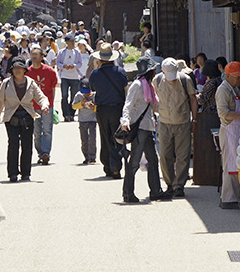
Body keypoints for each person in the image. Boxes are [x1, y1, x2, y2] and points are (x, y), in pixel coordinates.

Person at [0, 57, 49, 182]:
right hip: (11, 117)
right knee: (13, 144)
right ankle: (12, 173)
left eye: (20, 68)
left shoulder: (31, 83)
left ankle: (26, 173)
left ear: (24, 70)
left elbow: (41, 97)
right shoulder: (6, 83)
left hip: (27, 117)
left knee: (27, 145)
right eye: (15, 69)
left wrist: (44, 105)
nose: (17, 71)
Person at [120, 57, 169, 203]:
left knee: (153, 160)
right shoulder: (137, 85)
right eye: (153, 69)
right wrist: (125, 120)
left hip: (148, 127)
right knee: (134, 161)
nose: (155, 71)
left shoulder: (148, 85)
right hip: (140, 128)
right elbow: (128, 104)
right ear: (149, 71)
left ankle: (155, 191)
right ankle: (128, 193)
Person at [153, 57, 197, 198]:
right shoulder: (157, 80)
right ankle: (170, 184)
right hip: (164, 122)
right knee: (165, 155)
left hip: (183, 122)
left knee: (182, 156)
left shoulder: (185, 79)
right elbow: (154, 100)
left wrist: (194, 120)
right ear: (163, 71)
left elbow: (193, 99)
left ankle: (179, 186)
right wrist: (152, 117)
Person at [88, 41, 128, 179]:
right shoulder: (121, 72)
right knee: (117, 137)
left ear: (100, 59)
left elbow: (93, 89)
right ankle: (116, 164)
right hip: (117, 108)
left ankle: (108, 166)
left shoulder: (95, 74)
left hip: (102, 109)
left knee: (105, 138)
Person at [216, 60, 240, 209]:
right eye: (238, 77)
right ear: (228, 76)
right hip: (229, 131)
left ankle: (234, 197)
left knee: (236, 164)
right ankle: (228, 199)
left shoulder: (235, 89)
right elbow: (223, 113)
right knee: (230, 164)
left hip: (236, 130)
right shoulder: (223, 90)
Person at [27, 47, 58, 165]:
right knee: (36, 132)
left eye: (36, 54)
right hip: (32, 106)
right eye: (32, 54)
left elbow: (53, 88)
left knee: (47, 130)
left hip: (46, 106)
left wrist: (51, 103)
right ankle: (40, 152)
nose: (34, 57)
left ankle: (46, 153)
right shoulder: (27, 72)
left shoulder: (50, 71)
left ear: (42, 57)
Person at [56, 36, 83, 122]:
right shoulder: (61, 52)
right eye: (71, 41)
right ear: (66, 42)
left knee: (73, 96)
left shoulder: (77, 52)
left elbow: (80, 63)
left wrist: (74, 66)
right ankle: (66, 114)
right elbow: (58, 63)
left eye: (73, 41)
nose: (72, 43)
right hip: (64, 76)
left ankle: (71, 113)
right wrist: (63, 66)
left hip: (75, 76)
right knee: (64, 95)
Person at [72, 80, 98, 164]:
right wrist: (81, 104)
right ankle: (86, 156)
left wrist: (93, 107)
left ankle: (92, 156)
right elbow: (73, 107)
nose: (86, 94)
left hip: (92, 120)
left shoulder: (95, 95)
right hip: (82, 120)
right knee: (84, 140)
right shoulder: (79, 95)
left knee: (92, 139)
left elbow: (99, 108)